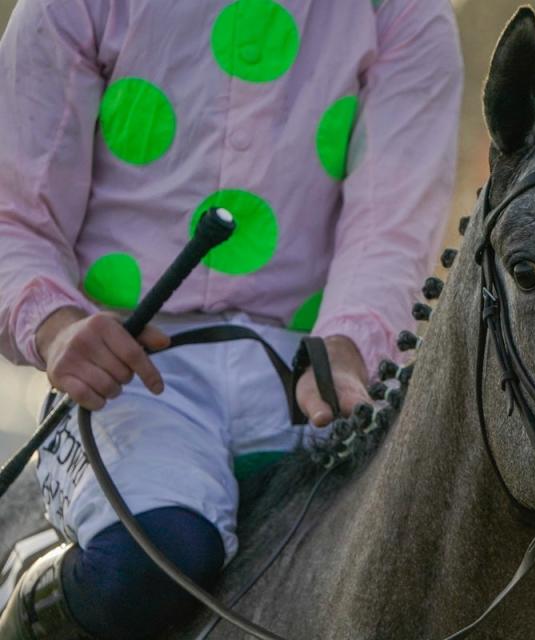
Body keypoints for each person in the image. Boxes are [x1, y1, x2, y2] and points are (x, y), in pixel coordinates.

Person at [0, 0, 462, 637]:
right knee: (151, 564)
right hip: (130, 372)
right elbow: (12, 209)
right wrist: (55, 328)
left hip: (311, 371)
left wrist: (348, 348)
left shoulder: (407, 12)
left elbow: (392, 221)